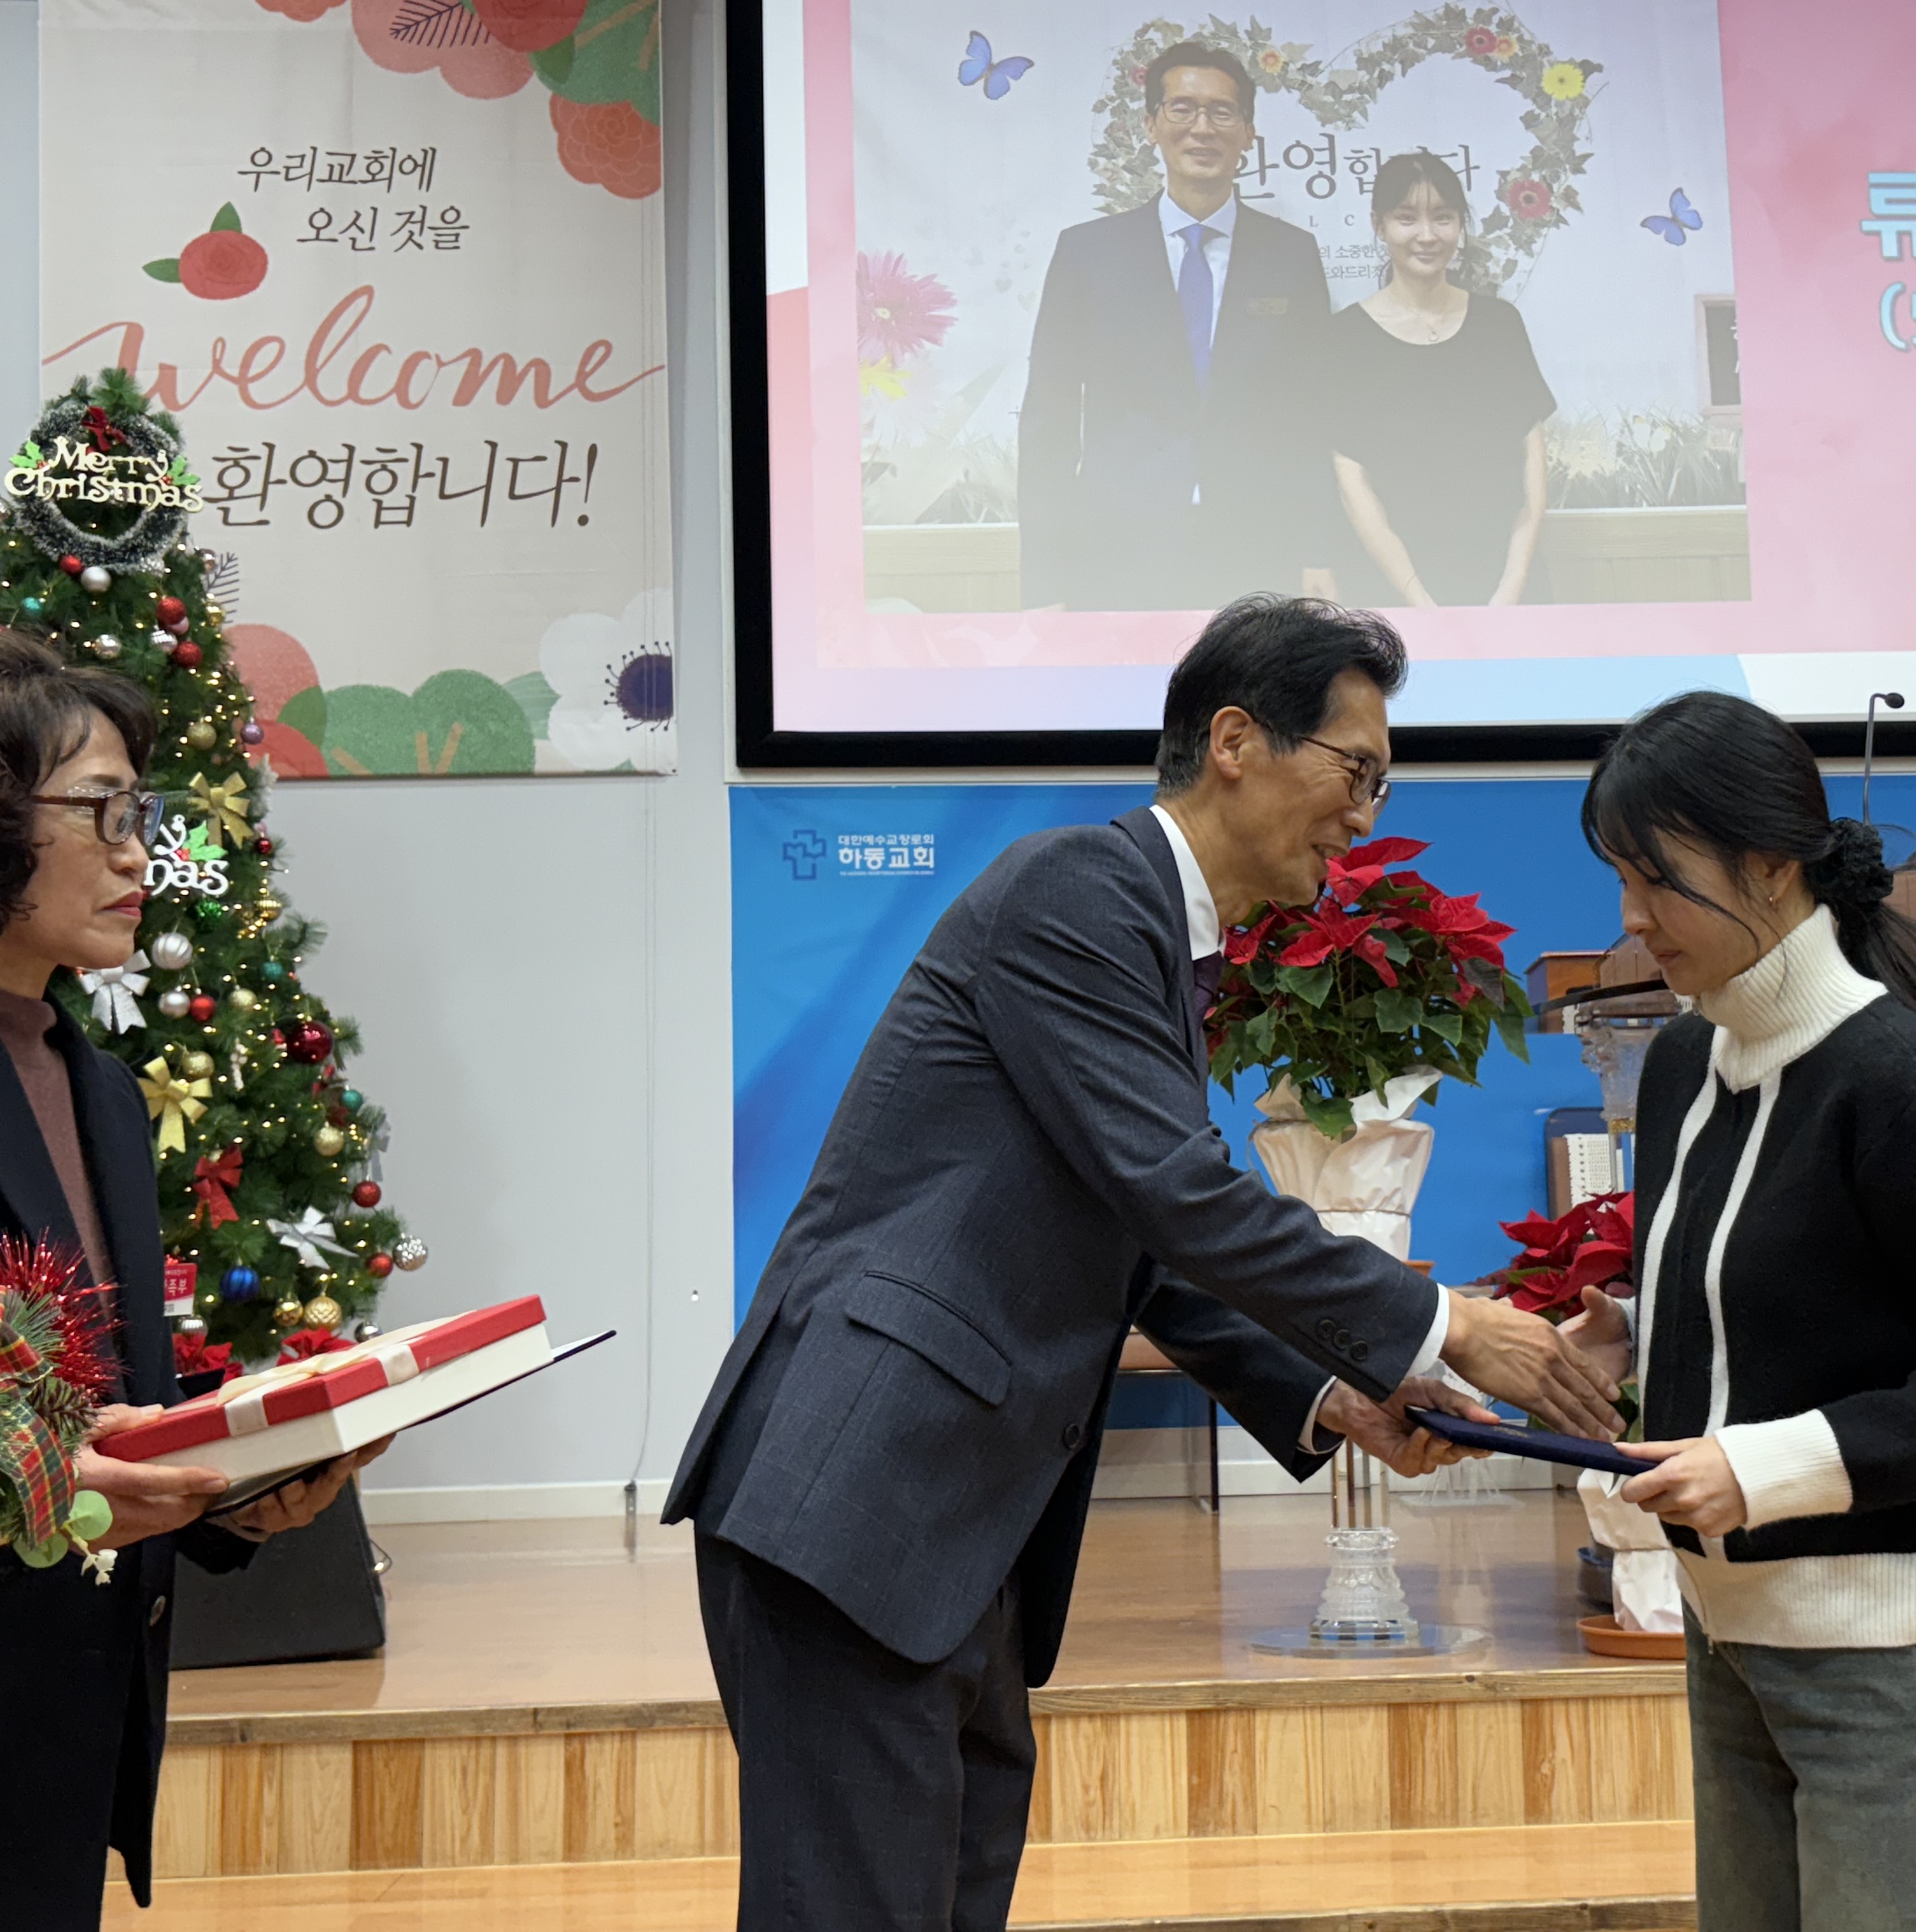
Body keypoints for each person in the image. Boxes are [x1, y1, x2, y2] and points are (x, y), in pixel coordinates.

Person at [666, 597, 1621, 1931]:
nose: (1363, 813)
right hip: (861, 1500)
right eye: (1354, 770)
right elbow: (1178, 1195)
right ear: (1234, 741)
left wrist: (1334, 1396)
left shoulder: (1159, 940)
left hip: (948, 1524)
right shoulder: (1076, 890)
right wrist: (1448, 1325)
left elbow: (1141, 1240)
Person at [1558, 691, 1916, 1932]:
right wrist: (1629, 1333)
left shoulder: (1900, 1085)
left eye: (1658, 879)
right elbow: (1794, 1287)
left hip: (1899, 1659)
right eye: (1620, 878)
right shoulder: (1683, 1062)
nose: (1631, 917)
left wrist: (1762, 1467)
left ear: (1772, 865)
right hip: (1728, 1638)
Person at [0, 627, 388, 1924]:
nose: (140, 853)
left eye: (145, 813)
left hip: (54, 1740)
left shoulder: (104, 1089)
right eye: (104, 811)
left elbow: (112, 1409)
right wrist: (38, 1486)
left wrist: (234, 1495)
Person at [1017, 42, 1340, 611]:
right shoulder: (1088, 253)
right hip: (1118, 547)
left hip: (1257, 547)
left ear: (1248, 133)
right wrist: (1046, 575)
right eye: (1183, 109)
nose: (1203, 128)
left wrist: (1318, 551)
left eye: (1222, 112)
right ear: (1151, 125)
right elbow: (1050, 415)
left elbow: (1312, 413)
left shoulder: (1291, 255)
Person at [1326, 151, 1556, 608]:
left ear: (1461, 225)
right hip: (1394, 596)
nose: (1428, 235)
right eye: (1407, 218)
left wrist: (1510, 592)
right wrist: (1423, 605)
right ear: (1379, 225)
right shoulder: (1343, 338)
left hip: (1508, 588)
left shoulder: (1500, 325)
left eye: (1443, 217)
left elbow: (1531, 465)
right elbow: (1352, 484)